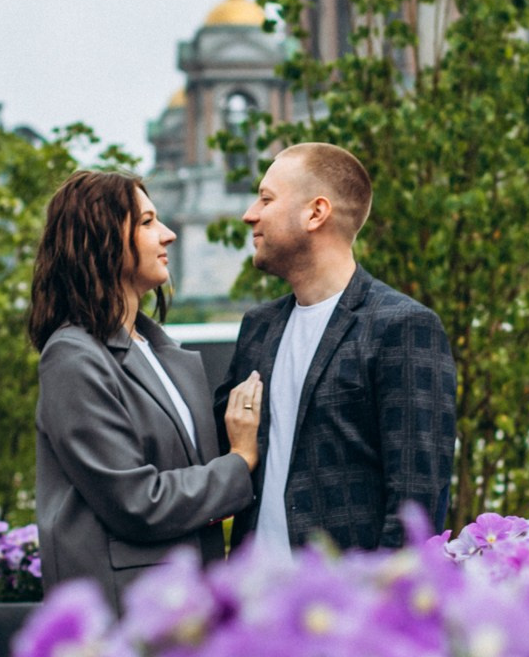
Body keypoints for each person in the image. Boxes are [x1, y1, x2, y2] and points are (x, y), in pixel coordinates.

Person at [31, 170, 263, 602]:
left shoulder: (160, 352)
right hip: (127, 615)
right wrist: (240, 460)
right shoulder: (73, 358)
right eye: (147, 222)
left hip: (188, 607)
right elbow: (137, 502)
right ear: (99, 238)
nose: (169, 234)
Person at [215, 143, 457, 554]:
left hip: (345, 605)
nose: (249, 214)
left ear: (316, 212)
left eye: (266, 199)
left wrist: (383, 606)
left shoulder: (401, 326)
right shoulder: (258, 327)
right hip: (256, 602)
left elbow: (416, 498)